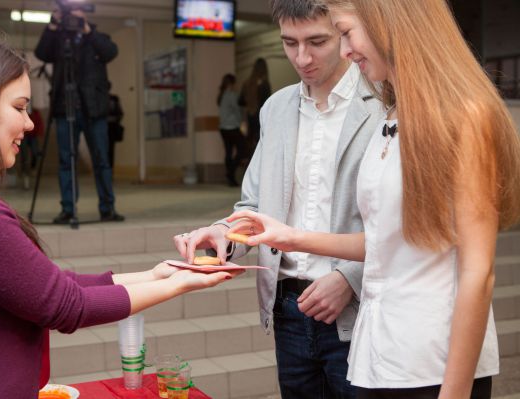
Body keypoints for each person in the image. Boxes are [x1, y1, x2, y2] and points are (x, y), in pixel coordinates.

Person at [226, 0, 520, 398]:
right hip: (378, 353)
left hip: (431, 358)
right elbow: (386, 241)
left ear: (389, 24)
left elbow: (477, 273)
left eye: (345, 33)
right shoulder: (393, 115)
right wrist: (287, 236)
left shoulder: (465, 117)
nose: (346, 50)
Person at [0, 33, 239, 398]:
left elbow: (47, 285)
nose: (29, 124)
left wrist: (154, 274)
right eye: (19, 107)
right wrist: (180, 283)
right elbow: (65, 305)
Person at [174, 1, 383, 397]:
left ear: (343, 32)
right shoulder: (276, 108)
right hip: (288, 308)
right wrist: (222, 233)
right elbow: (253, 204)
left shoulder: (381, 106)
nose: (301, 58)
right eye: (289, 43)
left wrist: (350, 280)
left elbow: (401, 222)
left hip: (356, 308)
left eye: (317, 41)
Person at [35, 8, 123, 224]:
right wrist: (52, 25)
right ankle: (67, 209)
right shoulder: (57, 38)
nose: (73, 15)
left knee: (101, 160)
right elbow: (41, 53)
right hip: (65, 107)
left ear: (86, 14)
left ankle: (107, 208)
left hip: (95, 109)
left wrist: (87, 31)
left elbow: (110, 52)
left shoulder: (97, 37)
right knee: (66, 160)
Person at [217, 73, 247, 187]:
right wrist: (241, 122)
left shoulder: (221, 95)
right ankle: (230, 174)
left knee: (228, 152)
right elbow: (237, 110)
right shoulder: (231, 95)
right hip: (232, 127)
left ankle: (230, 177)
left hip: (223, 128)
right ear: (231, 83)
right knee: (243, 149)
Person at [239, 57, 271, 155]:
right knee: (260, 143)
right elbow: (267, 102)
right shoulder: (265, 84)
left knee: (250, 141)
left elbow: (240, 101)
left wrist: (249, 103)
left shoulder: (247, 83)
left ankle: (249, 166)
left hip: (249, 115)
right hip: (260, 116)